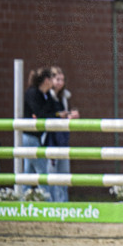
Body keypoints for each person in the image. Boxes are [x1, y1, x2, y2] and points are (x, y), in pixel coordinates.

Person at [19, 67, 57, 194]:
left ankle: (22, 198)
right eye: (52, 78)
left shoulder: (46, 94)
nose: (54, 82)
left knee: (28, 172)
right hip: (29, 137)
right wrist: (51, 114)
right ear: (46, 80)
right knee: (42, 171)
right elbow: (41, 114)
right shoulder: (32, 93)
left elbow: (51, 112)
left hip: (37, 137)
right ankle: (48, 201)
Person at [46, 66, 80, 202]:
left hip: (63, 139)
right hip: (51, 140)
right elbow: (47, 115)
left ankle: (63, 204)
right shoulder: (47, 96)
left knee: (64, 174)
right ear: (51, 80)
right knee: (52, 175)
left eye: (62, 80)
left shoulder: (64, 97)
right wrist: (60, 115)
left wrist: (71, 115)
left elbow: (64, 115)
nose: (60, 82)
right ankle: (52, 204)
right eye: (57, 79)